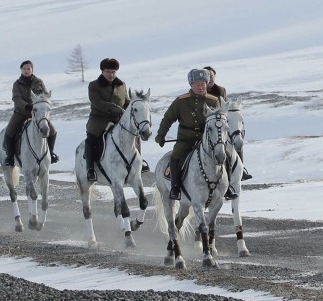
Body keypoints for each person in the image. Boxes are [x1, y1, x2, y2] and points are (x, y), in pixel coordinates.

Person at [155, 69, 235, 200]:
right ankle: (175, 187)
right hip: (186, 139)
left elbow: (220, 121)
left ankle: (228, 187)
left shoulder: (214, 101)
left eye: (203, 84)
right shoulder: (181, 101)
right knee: (176, 156)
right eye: (197, 84)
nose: (201, 87)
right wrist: (161, 136)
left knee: (227, 155)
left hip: (209, 140)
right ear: (191, 85)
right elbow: (168, 119)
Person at [84, 58, 149, 182]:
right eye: (108, 71)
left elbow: (126, 102)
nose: (111, 74)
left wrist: (131, 108)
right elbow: (97, 102)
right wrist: (114, 108)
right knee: (91, 138)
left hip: (119, 119)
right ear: (102, 71)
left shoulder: (122, 85)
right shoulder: (94, 85)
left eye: (113, 72)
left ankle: (139, 161)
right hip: (100, 119)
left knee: (135, 133)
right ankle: (90, 168)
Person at [3, 60, 59, 166]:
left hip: (37, 114)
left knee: (53, 131)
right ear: (21, 70)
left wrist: (42, 103)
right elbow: (16, 98)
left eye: (28, 68)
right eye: (24, 69)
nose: (26, 71)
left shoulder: (39, 82)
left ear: (32, 69)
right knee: (9, 131)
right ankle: (10, 157)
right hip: (21, 112)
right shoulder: (17, 84)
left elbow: (45, 96)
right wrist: (27, 106)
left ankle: (51, 153)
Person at [204, 65, 252, 181]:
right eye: (207, 76)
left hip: (219, 125)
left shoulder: (221, 90)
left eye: (212, 75)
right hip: (206, 125)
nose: (210, 78)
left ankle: (240, 170)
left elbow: (223, 108)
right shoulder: (199, 90)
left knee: (236, 142)